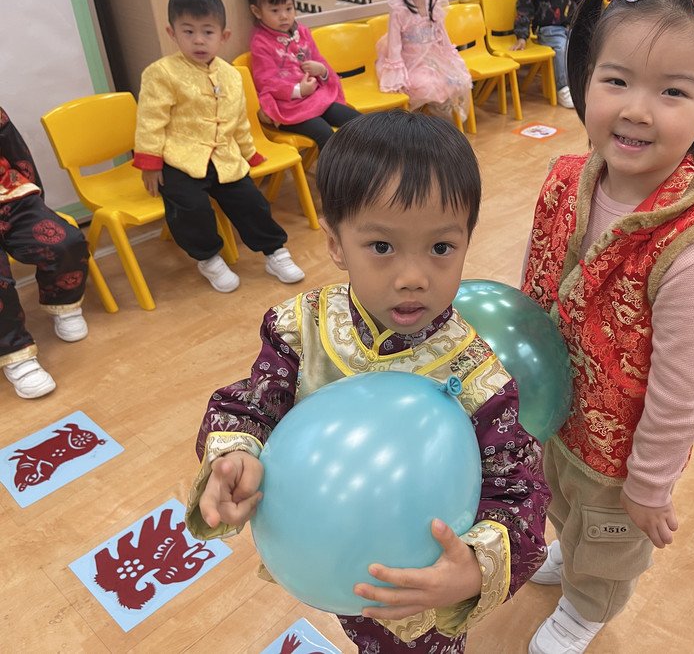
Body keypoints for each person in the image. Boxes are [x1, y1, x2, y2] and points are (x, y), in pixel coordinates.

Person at [183, 110, 550, 652]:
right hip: (328, 560)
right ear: (336, 243)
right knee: (362, 633)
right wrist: (235, 460)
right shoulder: (302, 328)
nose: (413, 277)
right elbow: (253, 406)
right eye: (382, 247)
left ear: (467, 242)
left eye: (441, 248)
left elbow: (518, 488)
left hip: (423, 594)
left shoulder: (477, 376)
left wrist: (474, 570)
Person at [521, 0, 694, 653]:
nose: (636, 110)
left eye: (672, 92)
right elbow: (534, 284)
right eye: (617, 80)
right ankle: (569, 554)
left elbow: (683, 390)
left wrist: (650, 485)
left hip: (621, 454)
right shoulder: (565, 178)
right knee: (559, 501)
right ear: (586, 77)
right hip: (556, 414)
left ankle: (588, 605)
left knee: (608, 537)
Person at [133, 0, 304, 294]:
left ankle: (274, 251)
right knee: (191, 207)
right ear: (172, 33)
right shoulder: (161, 73)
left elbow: (239, 120)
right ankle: (208, 258)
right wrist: (150, 162)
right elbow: (150, 120)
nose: (198, 40)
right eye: (188, 32)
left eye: (208, 32)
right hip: (179, 158)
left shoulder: (231, 75)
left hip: (223, 155)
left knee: (251, 200)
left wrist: (249, 153)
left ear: (223, 36)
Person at [1, 107, 89, 399]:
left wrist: (38, 201)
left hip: (10, 195)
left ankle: (63, 303)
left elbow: (16, 151)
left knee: (65, 241)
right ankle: (15, 353)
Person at [243, 0, 360, 151]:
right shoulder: (261, 43)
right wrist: (298, 90)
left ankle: (368, 164)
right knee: (326, 135)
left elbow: (319, 59)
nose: (284, 16)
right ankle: (335, 170)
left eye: (289, 8)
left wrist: (321, 70)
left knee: (358, 122)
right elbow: (266, 81)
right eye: (275, 10)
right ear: (257, 12)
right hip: (288, 109)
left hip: (316, 98)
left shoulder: (303, 32)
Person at [375, 0, 473, 122]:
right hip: (411, 61)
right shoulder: (398, 7)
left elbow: (441, 32)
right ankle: (422, 125)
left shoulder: (433, 0)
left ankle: (443, 121)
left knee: (457, 78)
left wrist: (451, 57)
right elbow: (394, 45)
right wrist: (397, 75)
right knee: (426, 85)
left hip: (434, 56)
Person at [512, 0, 584, 109]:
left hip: (571, 25)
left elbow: (579, 1)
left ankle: (581, 84)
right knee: (561, 47)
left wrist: (584, 24)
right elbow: (524, 7)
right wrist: (522, 36)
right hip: (547, 28)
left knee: (583, 43)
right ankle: (563, 88)